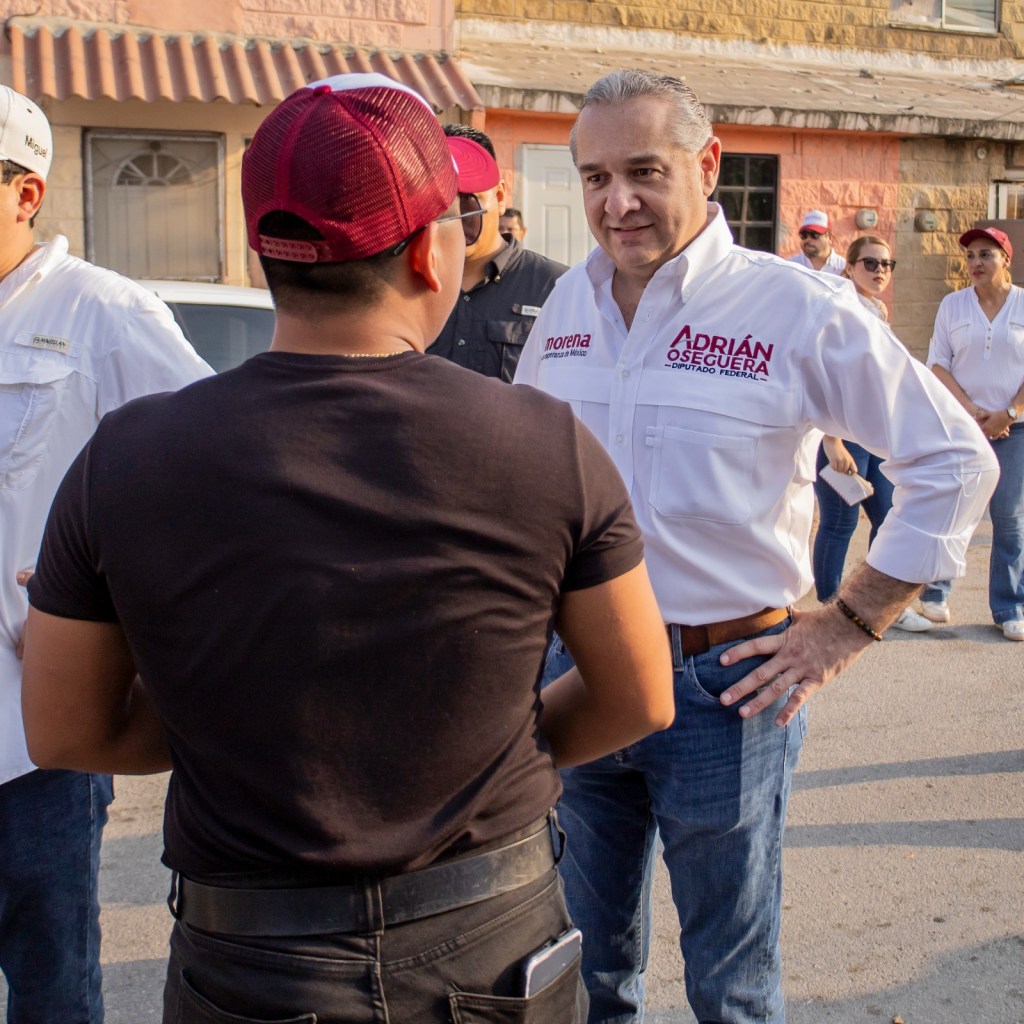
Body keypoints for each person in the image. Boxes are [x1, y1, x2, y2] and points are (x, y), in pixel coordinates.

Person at [20, 73, 674, 1023]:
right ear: (428, 252)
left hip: (249, 953)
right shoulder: (543, 443)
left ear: (263, 258)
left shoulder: (126, 458)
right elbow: (640, 694)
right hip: (490, 936)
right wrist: (480, 738)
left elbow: (68, 729)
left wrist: (229, 718)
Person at [513, 70, 998, 1024]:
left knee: (731, 992)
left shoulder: (793, 307)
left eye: (645, 171)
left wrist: (849, 622)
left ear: (708, 165)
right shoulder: (568, 306)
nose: (618, 202)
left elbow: (953, 459)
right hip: (576, 675)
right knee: (585, 977)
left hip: (723, 685)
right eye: (596, 176)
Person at [0, 85, 211, 1021]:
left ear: (26, 192)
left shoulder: (105, 313)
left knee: (53, 986)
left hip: (33, 735)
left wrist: (126, 596)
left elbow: (213, 474)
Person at [812, 236, 935, 631]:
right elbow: (825, 374)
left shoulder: (877, 309)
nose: (880, 270)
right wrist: (831, 440)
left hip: (876, 435)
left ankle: (881, 605)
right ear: (848, 268)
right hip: (843, 436)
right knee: (839, 524)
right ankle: (830, 608)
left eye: (886, 264)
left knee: (888, 519)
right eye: (870, 263)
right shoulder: (838, 308)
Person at [924, 226, 1024, 640]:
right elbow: (938, 365)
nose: (976, 263)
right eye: (970, 256)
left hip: (1016, 428)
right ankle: (935, 595)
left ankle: (1010, 608)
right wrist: (973, 412)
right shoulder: (952, 305)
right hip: (964, 425)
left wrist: (1009, 413)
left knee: (1009, 519)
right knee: (955, 508)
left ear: (1006, 259)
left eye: (986, 254)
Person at [426, 125, 566, 381]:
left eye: (468, 201)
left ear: (500, 197)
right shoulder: (410, 284)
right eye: (443, 203)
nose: (455, 217)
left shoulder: (557, 288)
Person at [788, 208, 847, 274]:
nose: (808, 239)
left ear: (829, 237)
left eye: (814, 235)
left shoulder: (845, 268)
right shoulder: (790, 266)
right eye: (804, 235)